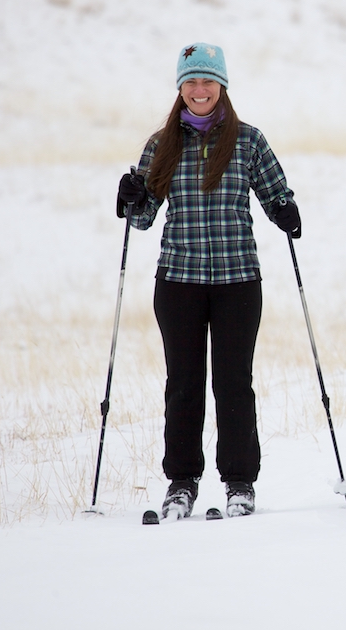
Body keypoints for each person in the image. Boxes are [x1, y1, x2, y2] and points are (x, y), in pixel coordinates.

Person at [116, 43, 302, 519]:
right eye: (191, 81)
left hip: (238, 280)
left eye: (207, 81)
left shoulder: (248, 141)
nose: (199, 90)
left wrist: (285, 211)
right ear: (180, 88)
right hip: (179, 281)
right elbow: (141, 219)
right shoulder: (162, 145)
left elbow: (277, 195)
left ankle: (239, 482)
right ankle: (182, 483)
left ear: (222, 86)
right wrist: (130, 198)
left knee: (234, 381)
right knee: (184, 382)